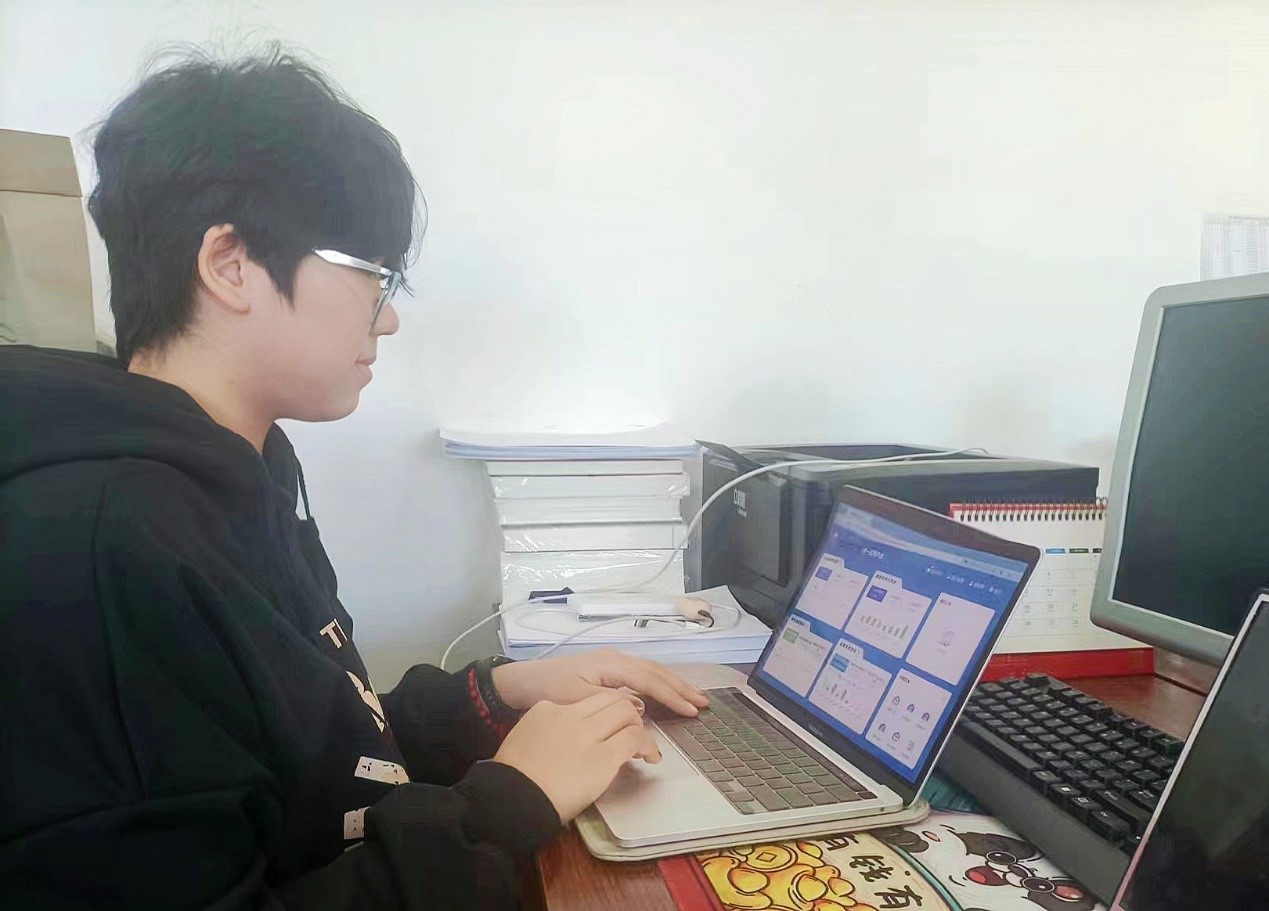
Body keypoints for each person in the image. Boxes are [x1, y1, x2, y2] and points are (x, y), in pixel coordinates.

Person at [0, 47, 709, 910]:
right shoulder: (99, 552)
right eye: (374, 276)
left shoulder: (244, 466)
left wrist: (491, 697)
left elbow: (308, 748)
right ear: (230, 263)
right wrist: (505, 804)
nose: (391, 315)